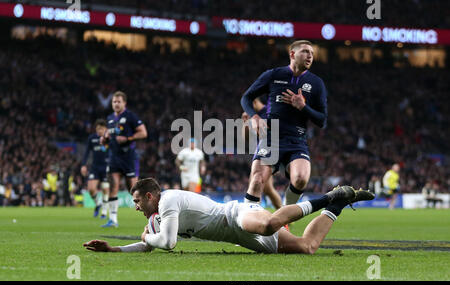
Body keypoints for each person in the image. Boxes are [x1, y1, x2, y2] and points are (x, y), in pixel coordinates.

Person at [83, 178, 374, 254]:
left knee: (270, 225)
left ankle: (329, 196)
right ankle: (337, 205)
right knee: (307, 248)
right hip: (238, 238)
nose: (135, 207)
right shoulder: (155, 220)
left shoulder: (168, 199)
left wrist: (149, 236)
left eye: (136, 201)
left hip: (234, 215)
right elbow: (150, 243)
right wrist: (115, 249)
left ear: (150, 196)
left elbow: (167, 243)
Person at [240, 40, 327, 208]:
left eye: (312, 53)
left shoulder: (316, 83)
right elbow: (246, 98)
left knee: (301, 179)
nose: (310, 56)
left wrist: (303, 107)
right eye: (305, 51)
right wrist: (254, 117)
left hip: (296, 140)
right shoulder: (274, 75)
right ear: (292, 54)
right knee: (257, 180)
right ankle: (246, 221)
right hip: (271, 138)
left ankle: (285, 213)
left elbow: (321, 120)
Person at [100, 91, 147, 227]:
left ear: (124, 103)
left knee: (133, 189)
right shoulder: (109, 119)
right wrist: (105, 139)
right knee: (113, 186)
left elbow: (143, 132)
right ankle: (113, 220)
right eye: (114, 102)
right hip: (114, 157)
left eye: (119, 102)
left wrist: (128, 138)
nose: (116, 104)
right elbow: (109, 136)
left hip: (128, 157)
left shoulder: (130, 116)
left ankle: (151, 214)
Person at [241, 98, 282, 209]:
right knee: (267, 189)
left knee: (254, 183)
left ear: (254, 102)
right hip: (261, 153)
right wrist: (245, 123)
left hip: (269, 151)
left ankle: (253, 215)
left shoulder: (268, 112)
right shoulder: (253, 115)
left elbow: (268, 136)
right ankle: (285, 218)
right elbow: (246, 139)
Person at [81, 119, 110, 218]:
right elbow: (86, 152)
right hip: (95, 167)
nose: (99, 131)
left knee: (105, 189)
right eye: (98, 129)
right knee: (91, 189)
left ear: (106, 129)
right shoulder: (92, 138)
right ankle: (98, 204)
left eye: (101, 129)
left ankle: (104, 212)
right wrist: (83, 165)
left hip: (106, 167)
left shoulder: (109, 139)